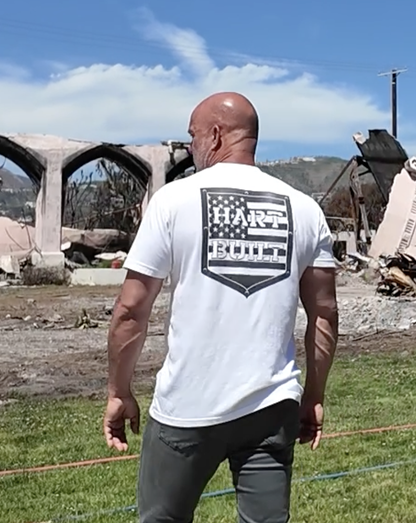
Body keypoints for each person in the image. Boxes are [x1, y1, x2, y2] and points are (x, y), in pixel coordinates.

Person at [101, 92, 339, 523]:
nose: (190, 147)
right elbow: (324, 313)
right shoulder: (306, 210)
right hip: (272, 407)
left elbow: (131, 310)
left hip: (187, 407)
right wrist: (315, 394)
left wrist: (119, 391)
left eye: (192, 136)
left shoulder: (173, 201)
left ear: (214, 135)